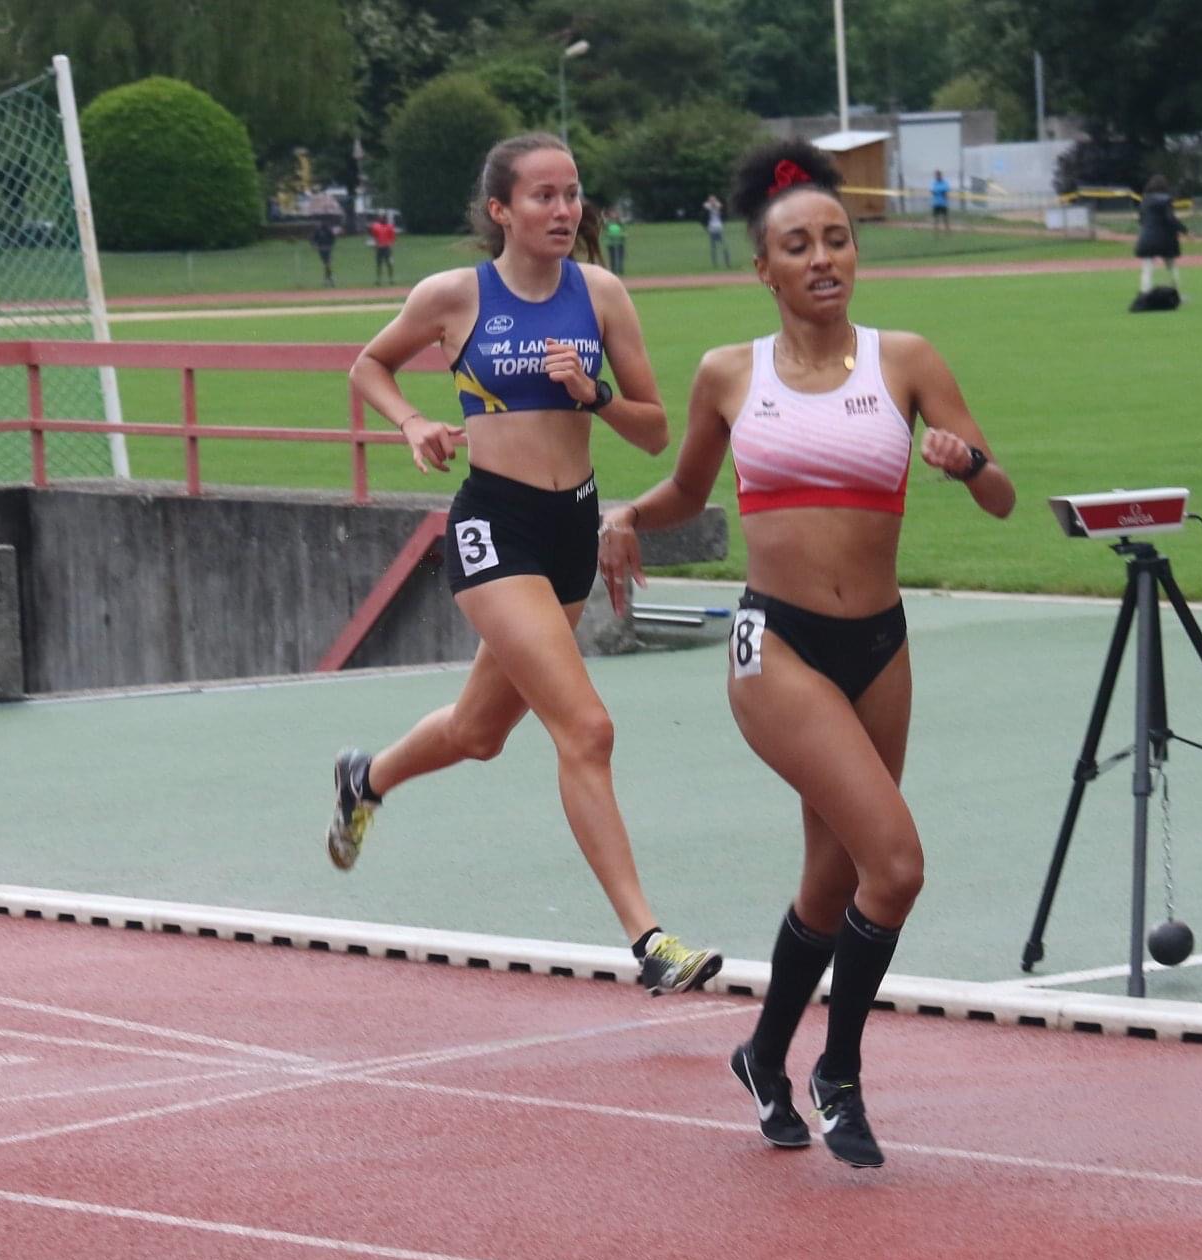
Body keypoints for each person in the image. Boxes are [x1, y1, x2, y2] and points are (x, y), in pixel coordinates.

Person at [598, 141, 1016, 1167]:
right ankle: (841, 1071)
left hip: (879, 644)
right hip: (775, 646)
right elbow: (688, 494)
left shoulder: (906, 360)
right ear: (764, 267)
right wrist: (627, 514)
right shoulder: (729, 373)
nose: (824, 258)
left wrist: (967, 464)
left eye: (838, 239)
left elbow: (1002, 495)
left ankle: (763, 1055)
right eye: (799, 245)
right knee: (897, 864)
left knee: (834, 882)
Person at [331, 131, 721, 997]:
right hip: (494, 524)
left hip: (569, 527)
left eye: (573, 193)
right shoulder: (454, 295)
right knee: (587, 727)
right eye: (544, 195)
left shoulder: (601, 294)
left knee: (479, 734)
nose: (564, 209)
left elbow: (656, 430)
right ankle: (650, 939)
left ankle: (367, 776)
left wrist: (595, 394)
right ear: (501, 210)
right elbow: (369, 365)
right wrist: (411, 422)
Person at [1134, 175, 1187, 300]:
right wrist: (1184, 230)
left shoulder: (1144, 201)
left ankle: (1144, 295)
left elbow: (1141, 220)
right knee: (1171, 267)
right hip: (1165, 240)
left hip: (1147, 239)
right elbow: (1170, 219)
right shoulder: (1166, 200)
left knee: (1147, 269)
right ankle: (1177, 295)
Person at [368, 212, 398, 285]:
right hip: (379, 247)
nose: (382, 219)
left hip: (387, 248)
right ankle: (378, 280)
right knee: (379, 264)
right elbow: (373, 235)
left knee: (389, 263)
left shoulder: (389, 227)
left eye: (383, 218)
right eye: (381, 218)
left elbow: (393, 237)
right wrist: (375, 243)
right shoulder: (376, 226)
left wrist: (390, 244)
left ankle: (391, 279)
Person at [703, 194, 731, 269]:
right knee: (713, 247)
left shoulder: (718, 205)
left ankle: (727, 262)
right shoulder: (707, 206)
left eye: (713, 199)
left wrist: (715, 205)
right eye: (710, 200)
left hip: (719, 228)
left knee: (724, 245)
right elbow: (705, 208)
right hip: (712, 229)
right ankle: (715, 264)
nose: (712, 201)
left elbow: (720, 207)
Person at [310, 222, 337, 288]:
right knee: (326, 264)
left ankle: (328, 279)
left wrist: (330, 245)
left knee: (327, 264)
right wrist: (314, 245)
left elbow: (333, 239)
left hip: (327, 249)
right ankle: (329, 279)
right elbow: (313, 239)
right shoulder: (318, 231)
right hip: (321, 250)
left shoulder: (328, 231)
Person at [604, 207, 627, 275]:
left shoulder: (619, 223)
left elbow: (624, 231)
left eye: (614, 213)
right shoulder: (608, 223)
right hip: (611, 243)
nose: (613, 215)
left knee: (620, 257)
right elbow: (605, 231)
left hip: (619, 242)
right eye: (612, 213)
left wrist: (623, 236)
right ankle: (613, 270)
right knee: (612, 257)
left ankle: (620, 269)